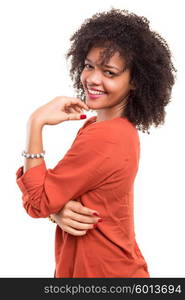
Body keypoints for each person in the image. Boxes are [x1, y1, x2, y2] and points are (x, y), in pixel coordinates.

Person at [16, 8, 176, 278]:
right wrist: (56, 212)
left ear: (135, 81)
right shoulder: (109, 128)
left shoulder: (106, 137)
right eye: (89, 66)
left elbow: (39, 201)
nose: (92, 79)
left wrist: (35, 122)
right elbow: (56, 200)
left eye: (110, 72)